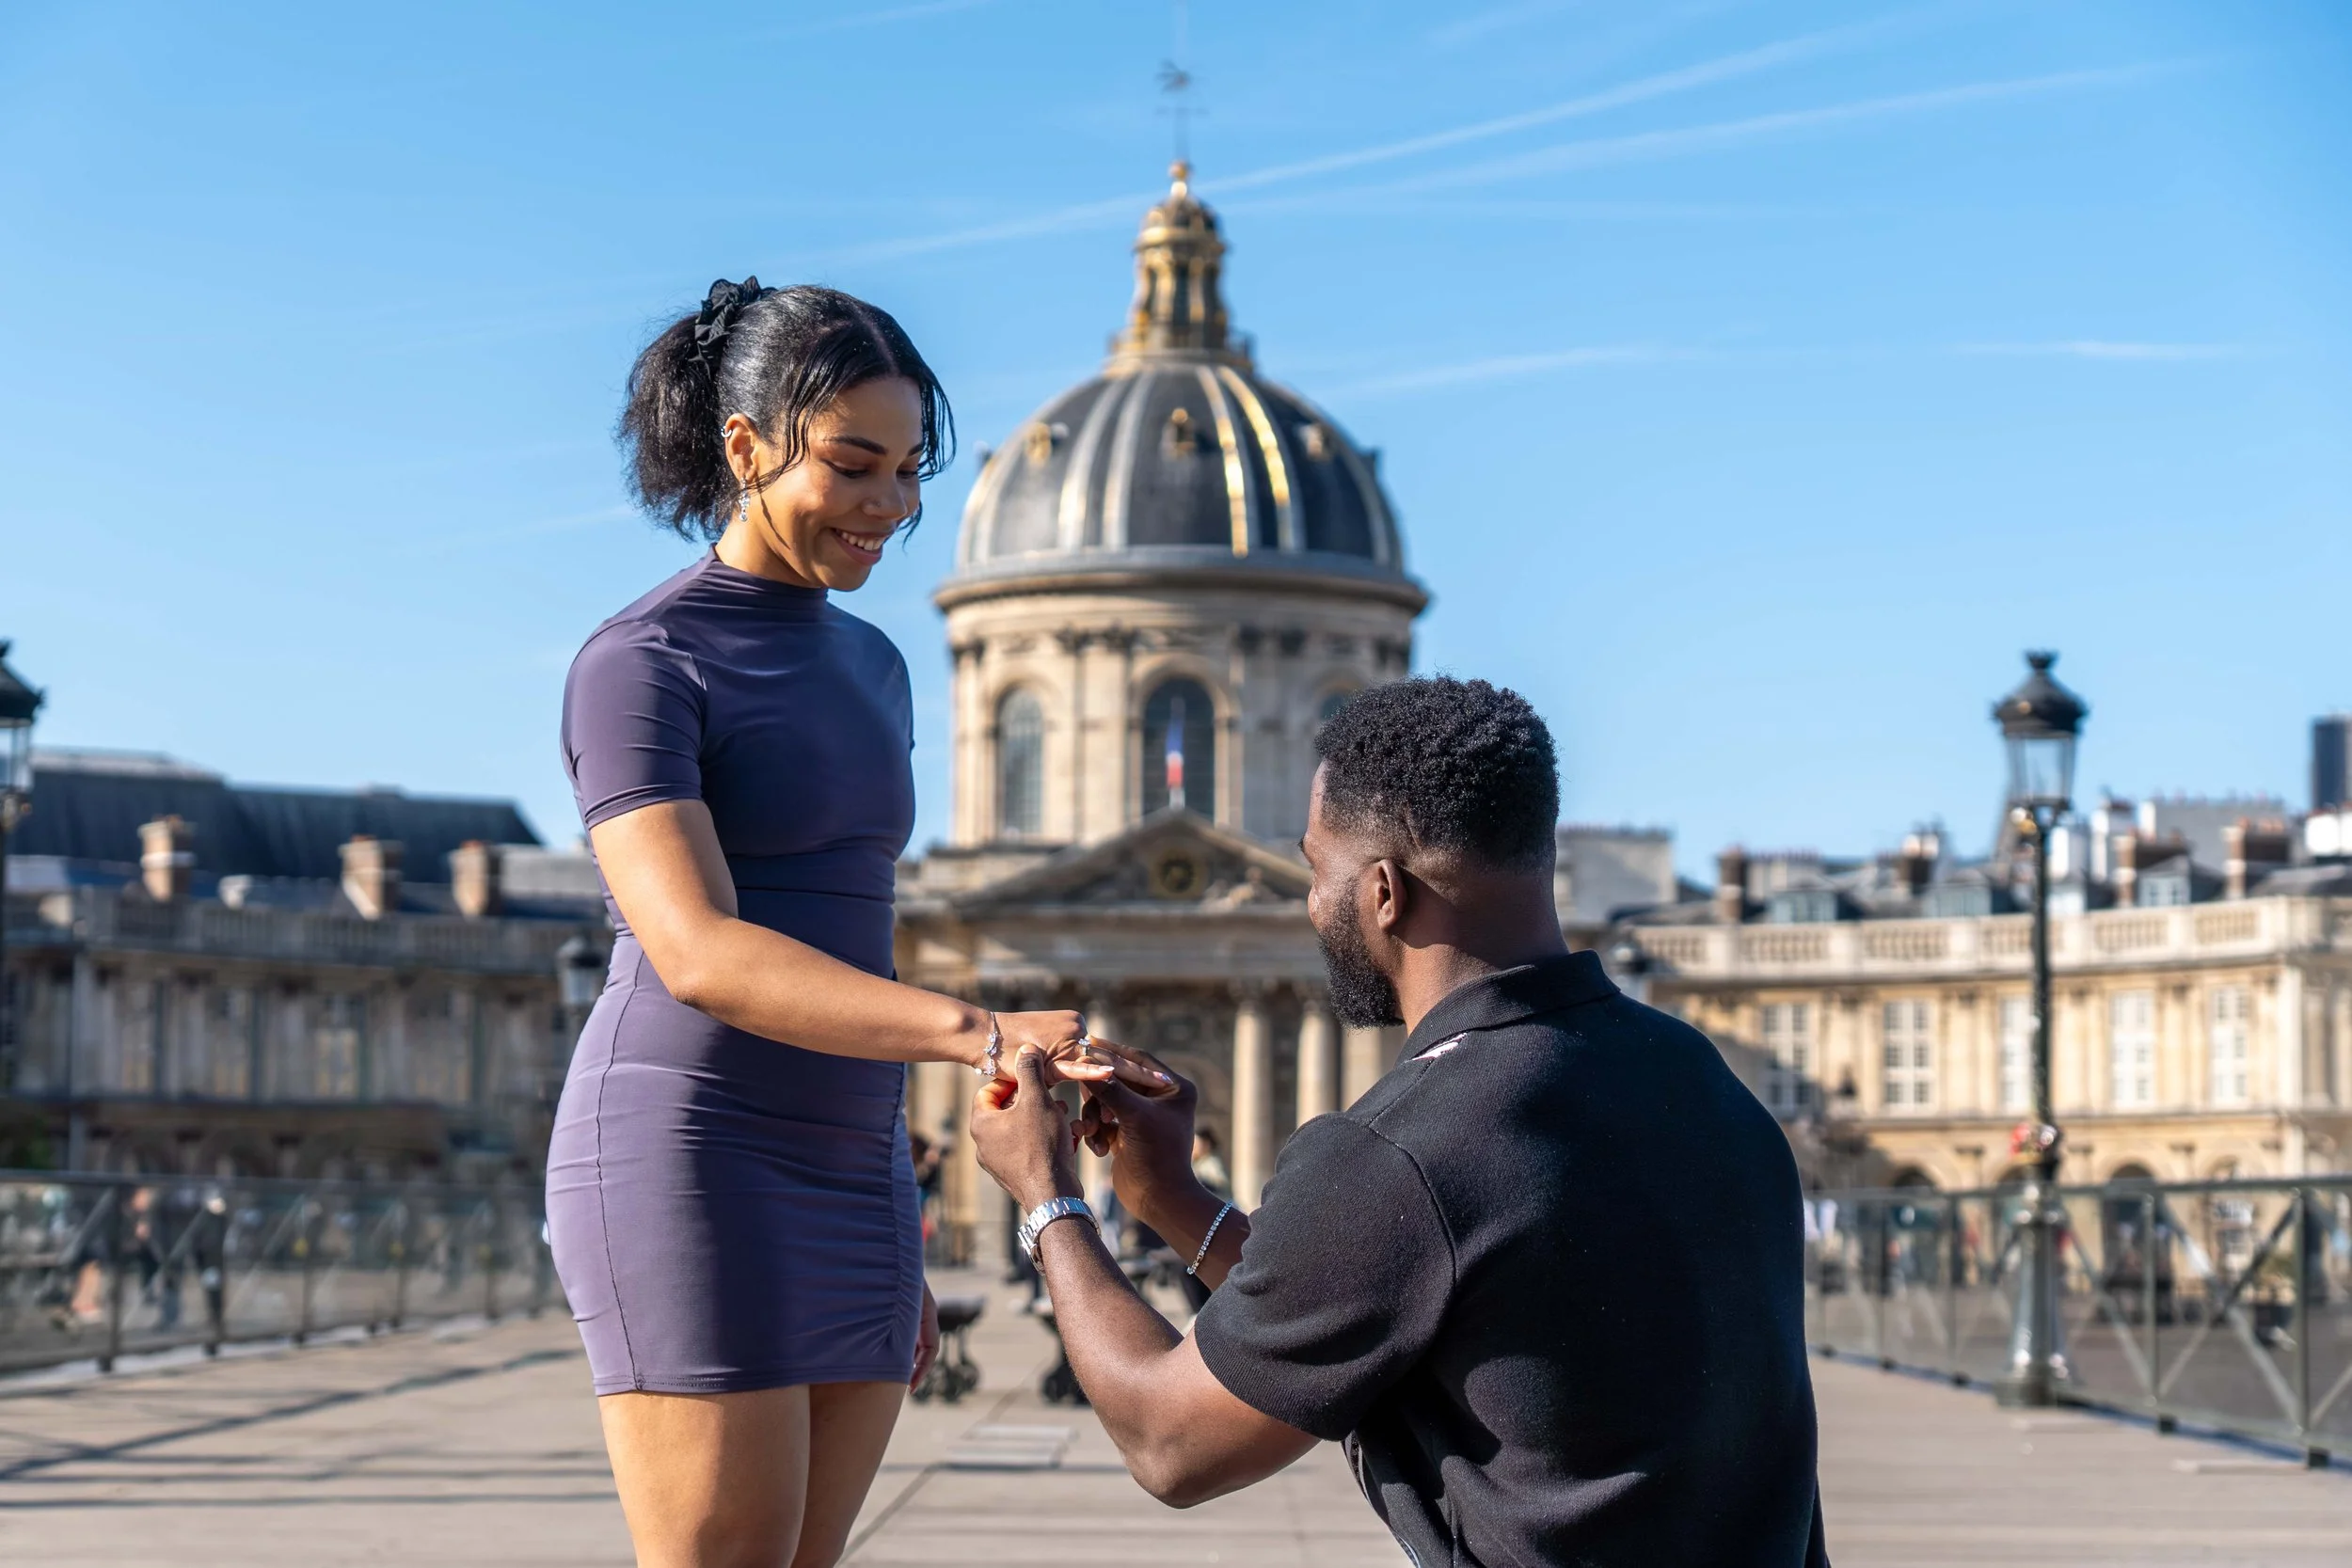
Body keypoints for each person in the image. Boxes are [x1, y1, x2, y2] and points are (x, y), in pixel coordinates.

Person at [545, 277, 1154, 1568]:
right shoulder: (640, 662)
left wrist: (892, 1213)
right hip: (690, 1147)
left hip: (851, 1166)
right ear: (747, 444)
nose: (890, 505)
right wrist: (978, 1029)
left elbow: (853, 931)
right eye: (854, 465)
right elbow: (700, 952)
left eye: (907, 471)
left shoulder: (873, 663)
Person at [971, 676, 1828, 1567]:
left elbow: (1169, 1440)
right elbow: (1391, 1285)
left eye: (1314, 868)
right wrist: (1176, 1199)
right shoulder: (1693, 1074)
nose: (1308, 903)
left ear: (1382, 890)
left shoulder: (1400, 1149)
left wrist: (1047, 1195)